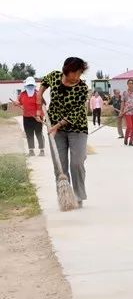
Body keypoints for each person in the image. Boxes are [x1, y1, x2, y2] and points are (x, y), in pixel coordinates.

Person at [39, 58, 91, 207]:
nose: (76, 76)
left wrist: (57, 126)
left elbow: (76, 112)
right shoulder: (55, 76)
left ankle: (79, 195)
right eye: (74, 73)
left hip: (77, 127)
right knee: (59, 165)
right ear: (66, 70)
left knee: (77, 163)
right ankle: (66, 197)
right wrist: (39, 99)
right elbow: (43, 83)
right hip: (55, 127)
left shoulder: (82, 88)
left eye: (79, 73)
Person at [9, 76, 45, 156]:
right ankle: (31, 151)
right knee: (29, 134)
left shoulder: (37, 94)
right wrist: (16, 103)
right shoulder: (22, 94)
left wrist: (38, 116)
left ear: (34, 86)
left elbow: (39, 106)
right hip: (27, 117)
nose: (30, 87)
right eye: (28, 85)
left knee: (39, 133)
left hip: (37, 117)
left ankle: (42, 150)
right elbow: (19, 102)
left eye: (31, 85)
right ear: (26, 86)